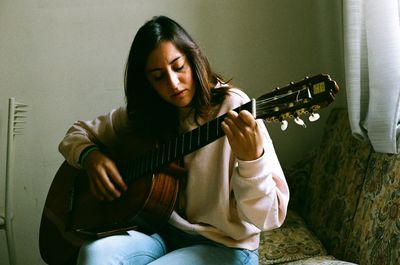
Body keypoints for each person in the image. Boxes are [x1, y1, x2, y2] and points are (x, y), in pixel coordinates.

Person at [59, 15, 289, 265]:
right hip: (162, 234)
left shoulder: (233, 107)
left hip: (226, 246)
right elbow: (76, 133)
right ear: (147, 82)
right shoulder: (148, 114)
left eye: (178, 67)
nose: (173, 83)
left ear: (193, 60)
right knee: (94, 253)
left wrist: (252, 161)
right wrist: (90, 156)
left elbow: (269, 218)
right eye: (158, 77)